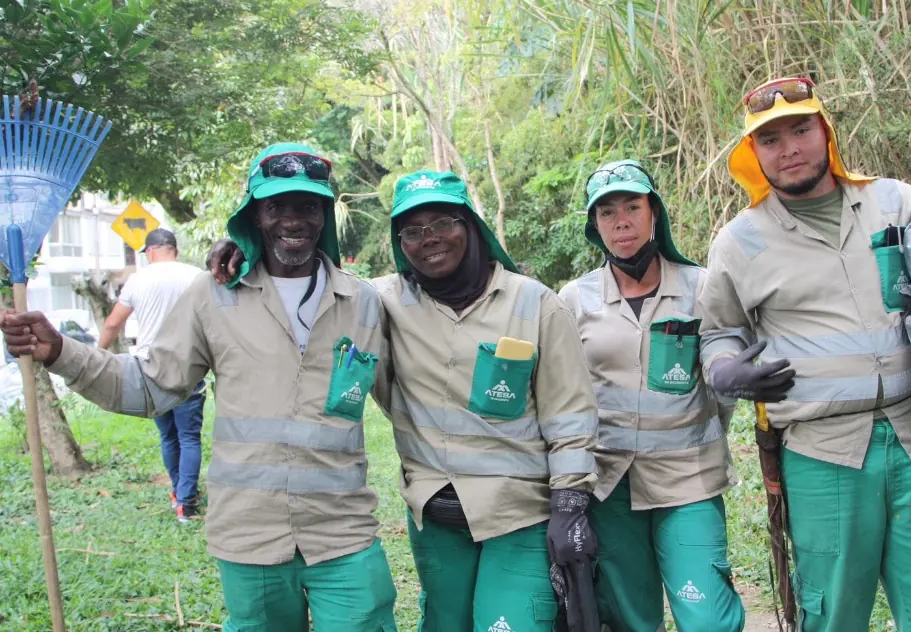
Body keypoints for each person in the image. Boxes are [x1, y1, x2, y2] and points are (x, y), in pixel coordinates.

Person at [2, 142, 397, 632]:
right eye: (276, 206)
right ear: (254, 216)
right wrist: (61, 352)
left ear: (324, 216)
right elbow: (148, 388)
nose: (292, 220)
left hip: (345, 537)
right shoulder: (212, 295)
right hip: (250, 538)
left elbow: (408, 387)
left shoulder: (363, 301)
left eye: (307, 206)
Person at [210, 170, 600, 632]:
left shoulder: (535, 304)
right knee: (443, 622)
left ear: (470, 226)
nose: (428, 239)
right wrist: (244, 245)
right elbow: (306, 276)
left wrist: (571, 505)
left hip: (517, 515)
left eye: (442, 223)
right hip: (436, 519)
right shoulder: (381, 302)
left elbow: (570, 414)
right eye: (411, 231)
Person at [698, 77, 911, 631]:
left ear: (827, 133)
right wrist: (724, 369)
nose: (789, 148)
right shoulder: (740, 242)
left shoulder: (898, 202)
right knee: (833, 612)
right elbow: (717, 329)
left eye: (801, 129)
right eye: (770, 139)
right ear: (754, 155)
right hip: (824, 455)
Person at [558, 160, 744, 632]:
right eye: (606, 212)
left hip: (689, 481)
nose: (621, 221)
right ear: (593, 226)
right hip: (609, 485)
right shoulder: (573, 301)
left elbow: (723, 386)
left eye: (632, 207)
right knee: (629, 618)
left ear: (653, 213)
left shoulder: (701, 287)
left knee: (707, 617)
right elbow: (565, 396)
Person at [99, 228, 206, 523]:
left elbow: (112, 324)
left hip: (150, 369)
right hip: (188, 366)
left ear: (149, 252)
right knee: (189, 436)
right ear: (175, 250)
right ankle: (187, 501)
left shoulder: (138, 279)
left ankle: (178, 492)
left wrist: (99, 353)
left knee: (168, 434)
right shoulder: (197, 276)